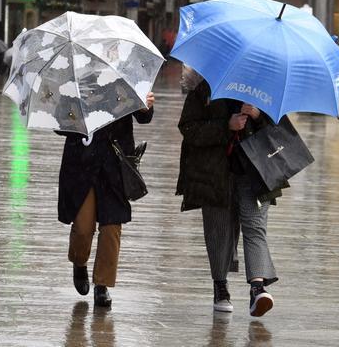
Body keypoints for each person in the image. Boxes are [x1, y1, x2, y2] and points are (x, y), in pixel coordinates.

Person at [176, 66, 282, 317]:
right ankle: (220, 286)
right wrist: (227, 125)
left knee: (255, 226)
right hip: (214, 172)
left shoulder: (265, 88)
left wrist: (258, 115)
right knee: (219, 229)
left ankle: (257, 288)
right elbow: (188, 128)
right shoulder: (204, 87)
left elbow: (279, 128)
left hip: (257, 171)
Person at [57, 92, 155, 308]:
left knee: (112, 226)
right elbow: (60, 124)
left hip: (115, 165)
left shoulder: (126, 76)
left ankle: (102, 285)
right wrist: (77, 114)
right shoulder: (75, 80)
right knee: (83, 227)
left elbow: (145, 117)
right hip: (82, 165)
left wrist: (145, 106)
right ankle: (79, 262)